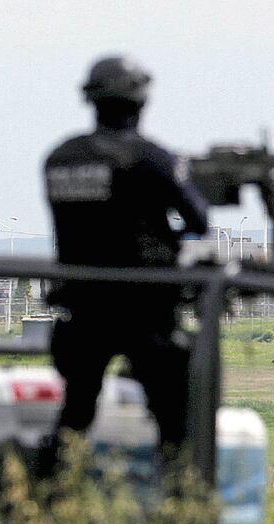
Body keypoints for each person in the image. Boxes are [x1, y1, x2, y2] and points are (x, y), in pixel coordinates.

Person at [43, 55, 209, 474]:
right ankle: (181, 508)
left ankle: (49, 500)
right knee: (175, 423)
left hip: (83, 306)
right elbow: (198, 220)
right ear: (140, 102)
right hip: (145, 309)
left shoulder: (59, 158)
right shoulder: (152, 159)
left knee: (76, 413)